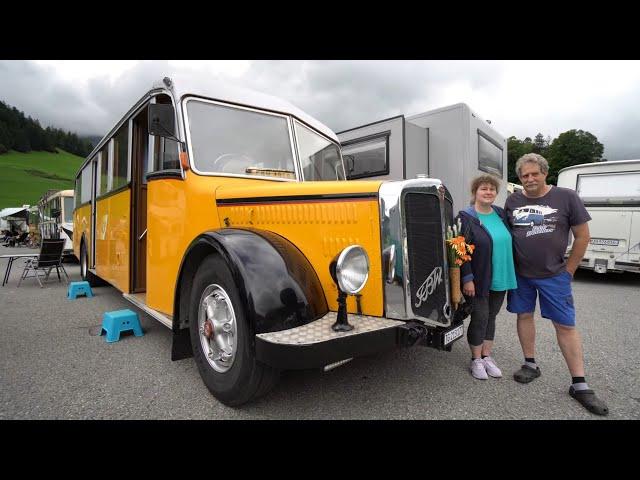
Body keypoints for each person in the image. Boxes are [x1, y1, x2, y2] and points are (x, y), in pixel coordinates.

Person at [505, 153, 609, 416]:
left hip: (555, 276)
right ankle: (530, 364)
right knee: (524, 315)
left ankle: (580, 384)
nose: (529, 179)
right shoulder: (513, 200)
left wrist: (569, 271)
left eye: (534, 174)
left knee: (565, 325)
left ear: (544, 173)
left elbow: (583, 236)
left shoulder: (566, 197)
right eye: (524, 176)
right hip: (521, 276)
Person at [457, 174, 517, 380]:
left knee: (491, 316)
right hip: (479, 278)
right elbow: (458, 248)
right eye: (484, 189)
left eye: (492, 189)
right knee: (480, 317)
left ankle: (486, 356)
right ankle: (475, 360)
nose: (488, 192)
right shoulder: (465, 216)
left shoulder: (500, 214)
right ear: (475, 193)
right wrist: (467, 278)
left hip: (501, 274)